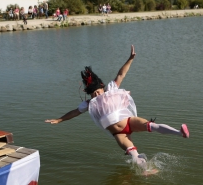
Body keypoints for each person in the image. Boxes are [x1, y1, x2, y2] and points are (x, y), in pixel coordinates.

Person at [45, 45, 190, 169]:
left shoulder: (111, 89)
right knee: (133, 153)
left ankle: (179, 133)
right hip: (118, 134)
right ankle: (145, 169)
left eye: (98, 91)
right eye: (93, 93)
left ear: (102, 87)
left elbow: (121, 74)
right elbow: (75, 112)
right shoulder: (90, 104)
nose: (96, 94)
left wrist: (130, 58)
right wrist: (59, 120)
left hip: (129, 121)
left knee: (152, 126)